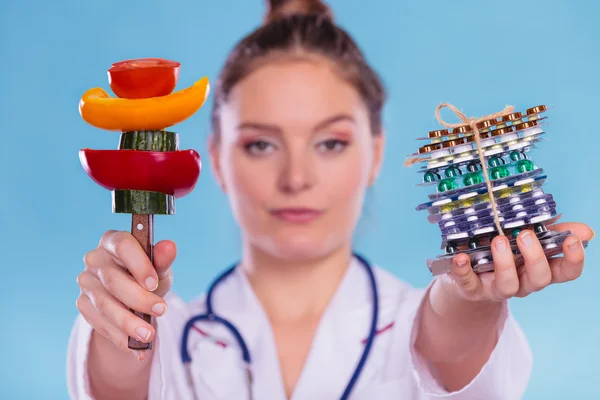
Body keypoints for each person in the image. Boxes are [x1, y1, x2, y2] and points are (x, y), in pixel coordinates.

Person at [66, 0, 594, 399]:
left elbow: (446, 336)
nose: (296, 177)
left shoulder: (416, 322)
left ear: (376, 153)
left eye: (330, 142)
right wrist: (123, 330)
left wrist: (473, 298)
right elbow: (120, 384)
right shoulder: (168, 332)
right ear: (219, 160)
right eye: (261, 144)